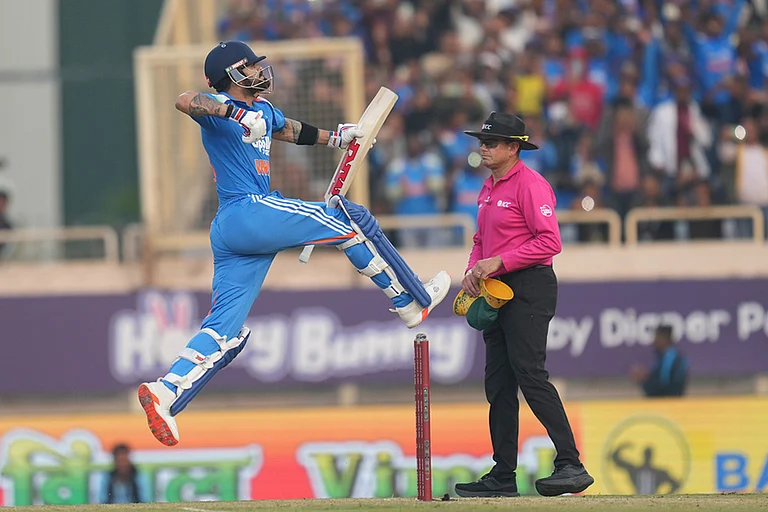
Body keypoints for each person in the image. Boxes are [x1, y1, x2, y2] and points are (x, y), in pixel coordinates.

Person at [137, 41, 451, 447]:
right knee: (347, 218)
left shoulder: (264, 110)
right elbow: (185, 101)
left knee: (225, 330)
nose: (259, 72)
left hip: (236, 231)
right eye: (251, 66)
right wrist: (235, 113)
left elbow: (289, 130)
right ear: (232, 73)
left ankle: (165, 392)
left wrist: (337, 138)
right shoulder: (220, 108)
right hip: (246, 210)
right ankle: (410, 300)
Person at [454, 112, 594, 498]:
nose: (483, 148)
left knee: (530, 374)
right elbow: (480, 240)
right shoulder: (488, 187)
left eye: (491, 143)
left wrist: (498, 262)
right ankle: (503, 475)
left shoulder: (531, 185)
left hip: (529, 285)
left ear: (513, 148)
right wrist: (473, 270)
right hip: (497, 288)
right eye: (482, 142)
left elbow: (550, 242)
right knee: (499, 384)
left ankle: (571, 464)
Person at [630, 325, 689, 397]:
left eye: (656, 338)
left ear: (664, 338)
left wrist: (644, 380)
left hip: (670, 402)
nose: (653, 342)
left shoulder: (671, 359)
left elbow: (663, 388)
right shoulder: (664, 357)